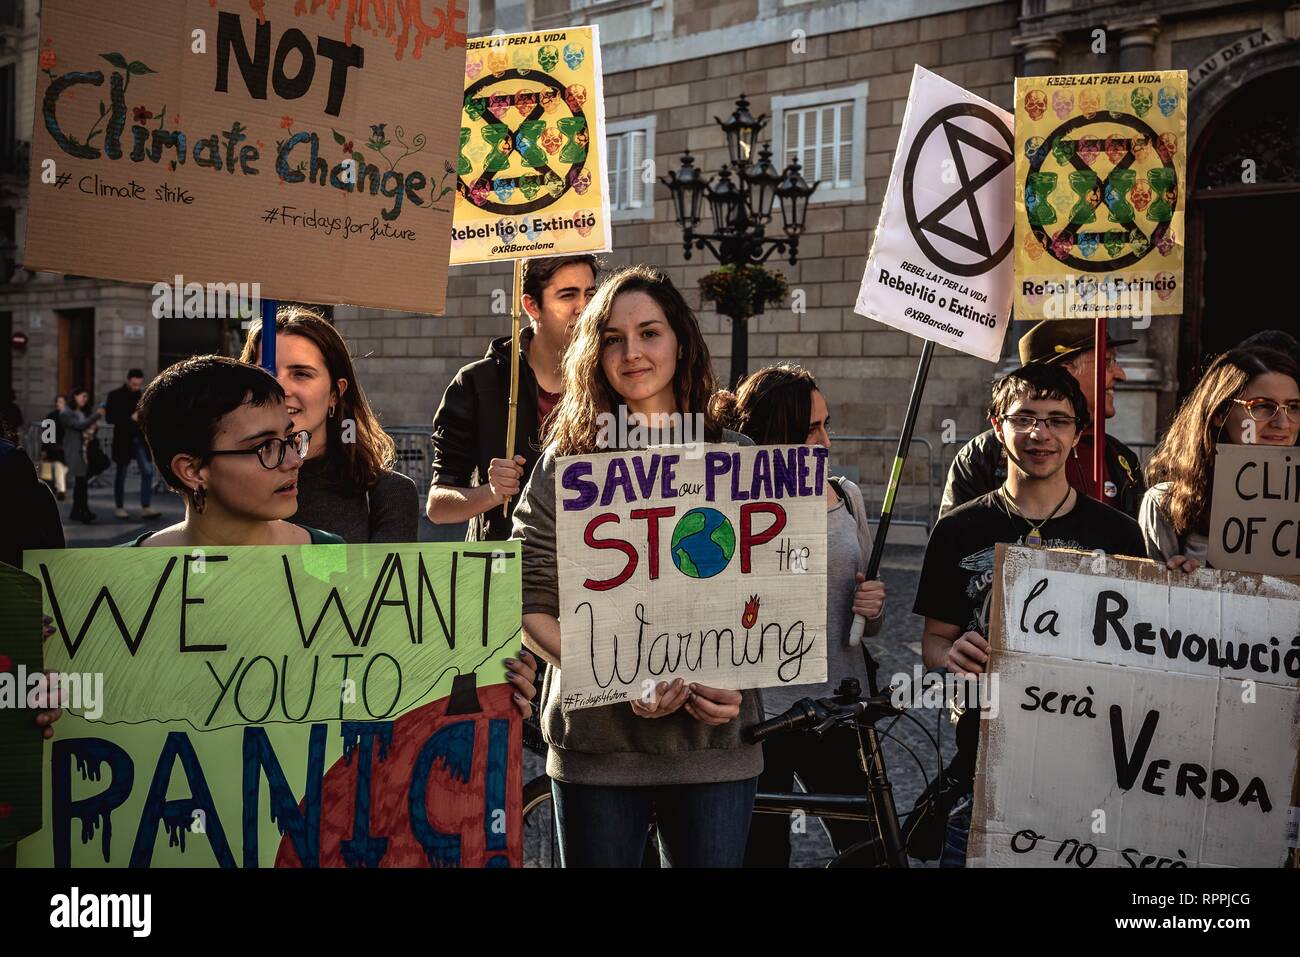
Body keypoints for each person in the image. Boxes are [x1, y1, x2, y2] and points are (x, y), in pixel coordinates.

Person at [34, 356, 536, 744]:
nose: (292, 461)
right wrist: (44, 698)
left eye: (290, 440)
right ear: (192, 469)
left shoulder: (329, 556)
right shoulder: (108, 588)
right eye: (265, 447)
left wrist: (491, 678)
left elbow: (389, 679)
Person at [510, 264, 760, 868]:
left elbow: (774, 599)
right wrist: (623, 676)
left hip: (714, 747)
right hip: (598, 750)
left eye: (649, 333)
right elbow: (527, 597)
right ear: (594, 356)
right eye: (613, 339)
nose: (632, 352)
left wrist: (741, 679)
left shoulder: (740, 460)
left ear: (680, 340)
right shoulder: (562, 467)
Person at [915, 364, 1146, 867]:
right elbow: (933, 641)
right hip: (984, 770)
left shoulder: (1123, 536)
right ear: (998, 427)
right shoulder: (958, 529)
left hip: (1091, 775)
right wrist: (951, 654)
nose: (1040, 434)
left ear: (1078, 433)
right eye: (1025, 418)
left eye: (1058, 420)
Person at [712, 364, 887, 867]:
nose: (826, 440)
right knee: (762, 853)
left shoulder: (845, 495)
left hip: (838, 707)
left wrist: (872, 607)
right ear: (774, 433)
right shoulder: (731, 504)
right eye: (812, 429)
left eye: (826, 424)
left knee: (867, 850)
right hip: (759, 717)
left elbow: (866, 622)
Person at [428, 255, 600, 541]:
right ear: (532, 306)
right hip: (507, 567)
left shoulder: (607, 378)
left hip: (592, 561)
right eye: (568, 295)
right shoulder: (477, 384)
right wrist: (490, 494)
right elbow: (437, 505)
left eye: (590, 294)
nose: (582, 307)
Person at [240, 306, 419, 544]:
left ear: (336, 392)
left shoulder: (388, 493)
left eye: (301, 374)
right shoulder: (227, 484)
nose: (280, 389)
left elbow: (388, 580)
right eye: (265, 372)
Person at [941, 319, 1146, 519]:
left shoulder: (1121, 458)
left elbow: (1136, 545)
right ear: (1067, 373)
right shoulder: (982, 456)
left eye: (1060, 422)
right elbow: (957, 541)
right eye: (1107, 362)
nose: (1120, 374)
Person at [1140, 347, 1300, 569]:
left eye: (1293, 407)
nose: (1283, 423)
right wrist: (1179, 584)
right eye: (1262, 406)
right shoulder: (1168, 504)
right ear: (1220, 413)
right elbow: (1150, 598)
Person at [105, 368, 161, 520]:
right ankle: (119, 507)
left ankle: (146, 506)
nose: (137, 386)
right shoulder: (115, 395)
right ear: (129, 380)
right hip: (123, 439)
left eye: (139, 384)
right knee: (121, 474)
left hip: (138, 440)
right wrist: (130, 418)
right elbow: (110, 418)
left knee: (148, 471)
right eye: (134, 384)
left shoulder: (141, 395)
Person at [58, 388, 104, 524]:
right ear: (75, 396)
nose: (85, 399)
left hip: (83, 450)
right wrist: (96, 415)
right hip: (75, 451)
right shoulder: (66, 413)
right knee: (81, 483)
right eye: (83, 396)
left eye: (87, 397)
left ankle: (78, 511)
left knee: (81, 483)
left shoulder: (78, 412)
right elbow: (80, 426)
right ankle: (82, 512)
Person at [39, 395, 69, 501]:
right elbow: (46, 436)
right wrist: (44, 450)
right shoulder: (51, 416)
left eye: (60, 402)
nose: (58, 404)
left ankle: (57, 488)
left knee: (60, 468)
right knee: (57, 466)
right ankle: (60, 490)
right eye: (57, 401)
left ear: (65, 403)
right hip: (54, 450)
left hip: (67, 450)